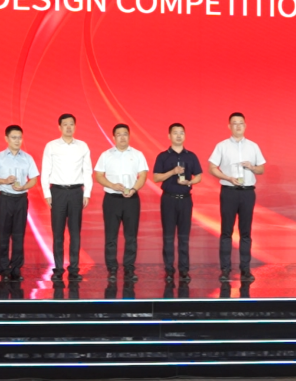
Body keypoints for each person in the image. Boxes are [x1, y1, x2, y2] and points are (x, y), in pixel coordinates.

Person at [208, 112, 265, 282]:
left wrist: (252, 167)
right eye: (234, 123)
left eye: (241, 123)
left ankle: (245, 269)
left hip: (247, 192)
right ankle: (225, 270)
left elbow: (261, 169)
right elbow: (212, 167)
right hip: (229, 191)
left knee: (245, 232)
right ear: (229, 126)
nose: (238, 126)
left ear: (245, 126)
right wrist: (227, 177)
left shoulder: (253, 146)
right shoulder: (222, 146)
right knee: (226, 231)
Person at [94, 123, 149, 282]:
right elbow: (99, 176)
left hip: (131, 199)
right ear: (113, 137)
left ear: (129, 136)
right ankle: (112, 269)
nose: (122, 137)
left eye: (125, 134)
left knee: (131, 236)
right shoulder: (106, 155)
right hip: (112, 199)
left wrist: (134, 189)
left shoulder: (138, 154)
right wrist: (112, 185)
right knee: (111, 236)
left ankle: (129, 269)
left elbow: (143, 176)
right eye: (119, 134)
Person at [41, 113, 92, 281]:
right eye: (65, 124)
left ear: (75, 126)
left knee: (75, 233)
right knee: (58, 233)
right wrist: (47, 193)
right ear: (59, 127)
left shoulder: (82, 146)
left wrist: (87, 192)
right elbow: (45, 170)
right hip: (58, 192)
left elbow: (87, 171)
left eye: (71, 124)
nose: (69, 127)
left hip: (77, 192)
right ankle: (58, 268)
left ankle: (74, 269)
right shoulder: (51, 146)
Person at [0, 125, 39, 282]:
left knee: (18, 235)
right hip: (5, 199)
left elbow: (34, 179)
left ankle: (16, 269)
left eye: (20, 138)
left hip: (21, 199)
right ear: (6, 139)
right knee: (3, 235)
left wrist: (24, 186)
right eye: (14, 137)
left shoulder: (27, 158)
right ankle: (3, 270)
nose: (17, 140)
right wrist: (4, 181)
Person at [152, 123, 203, 283]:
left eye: (181, 133)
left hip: (185, 200)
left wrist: (190, 181)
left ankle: (184, 270)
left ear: (185, 136)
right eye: (175, 133)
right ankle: (169, 270)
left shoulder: (191, 156)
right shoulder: (163, 156)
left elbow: (199, 176)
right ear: (169, 136)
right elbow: (156, 178)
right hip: (168, 199)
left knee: (184, 236)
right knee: (168, 236)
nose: (179, 136)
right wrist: (172, 172)